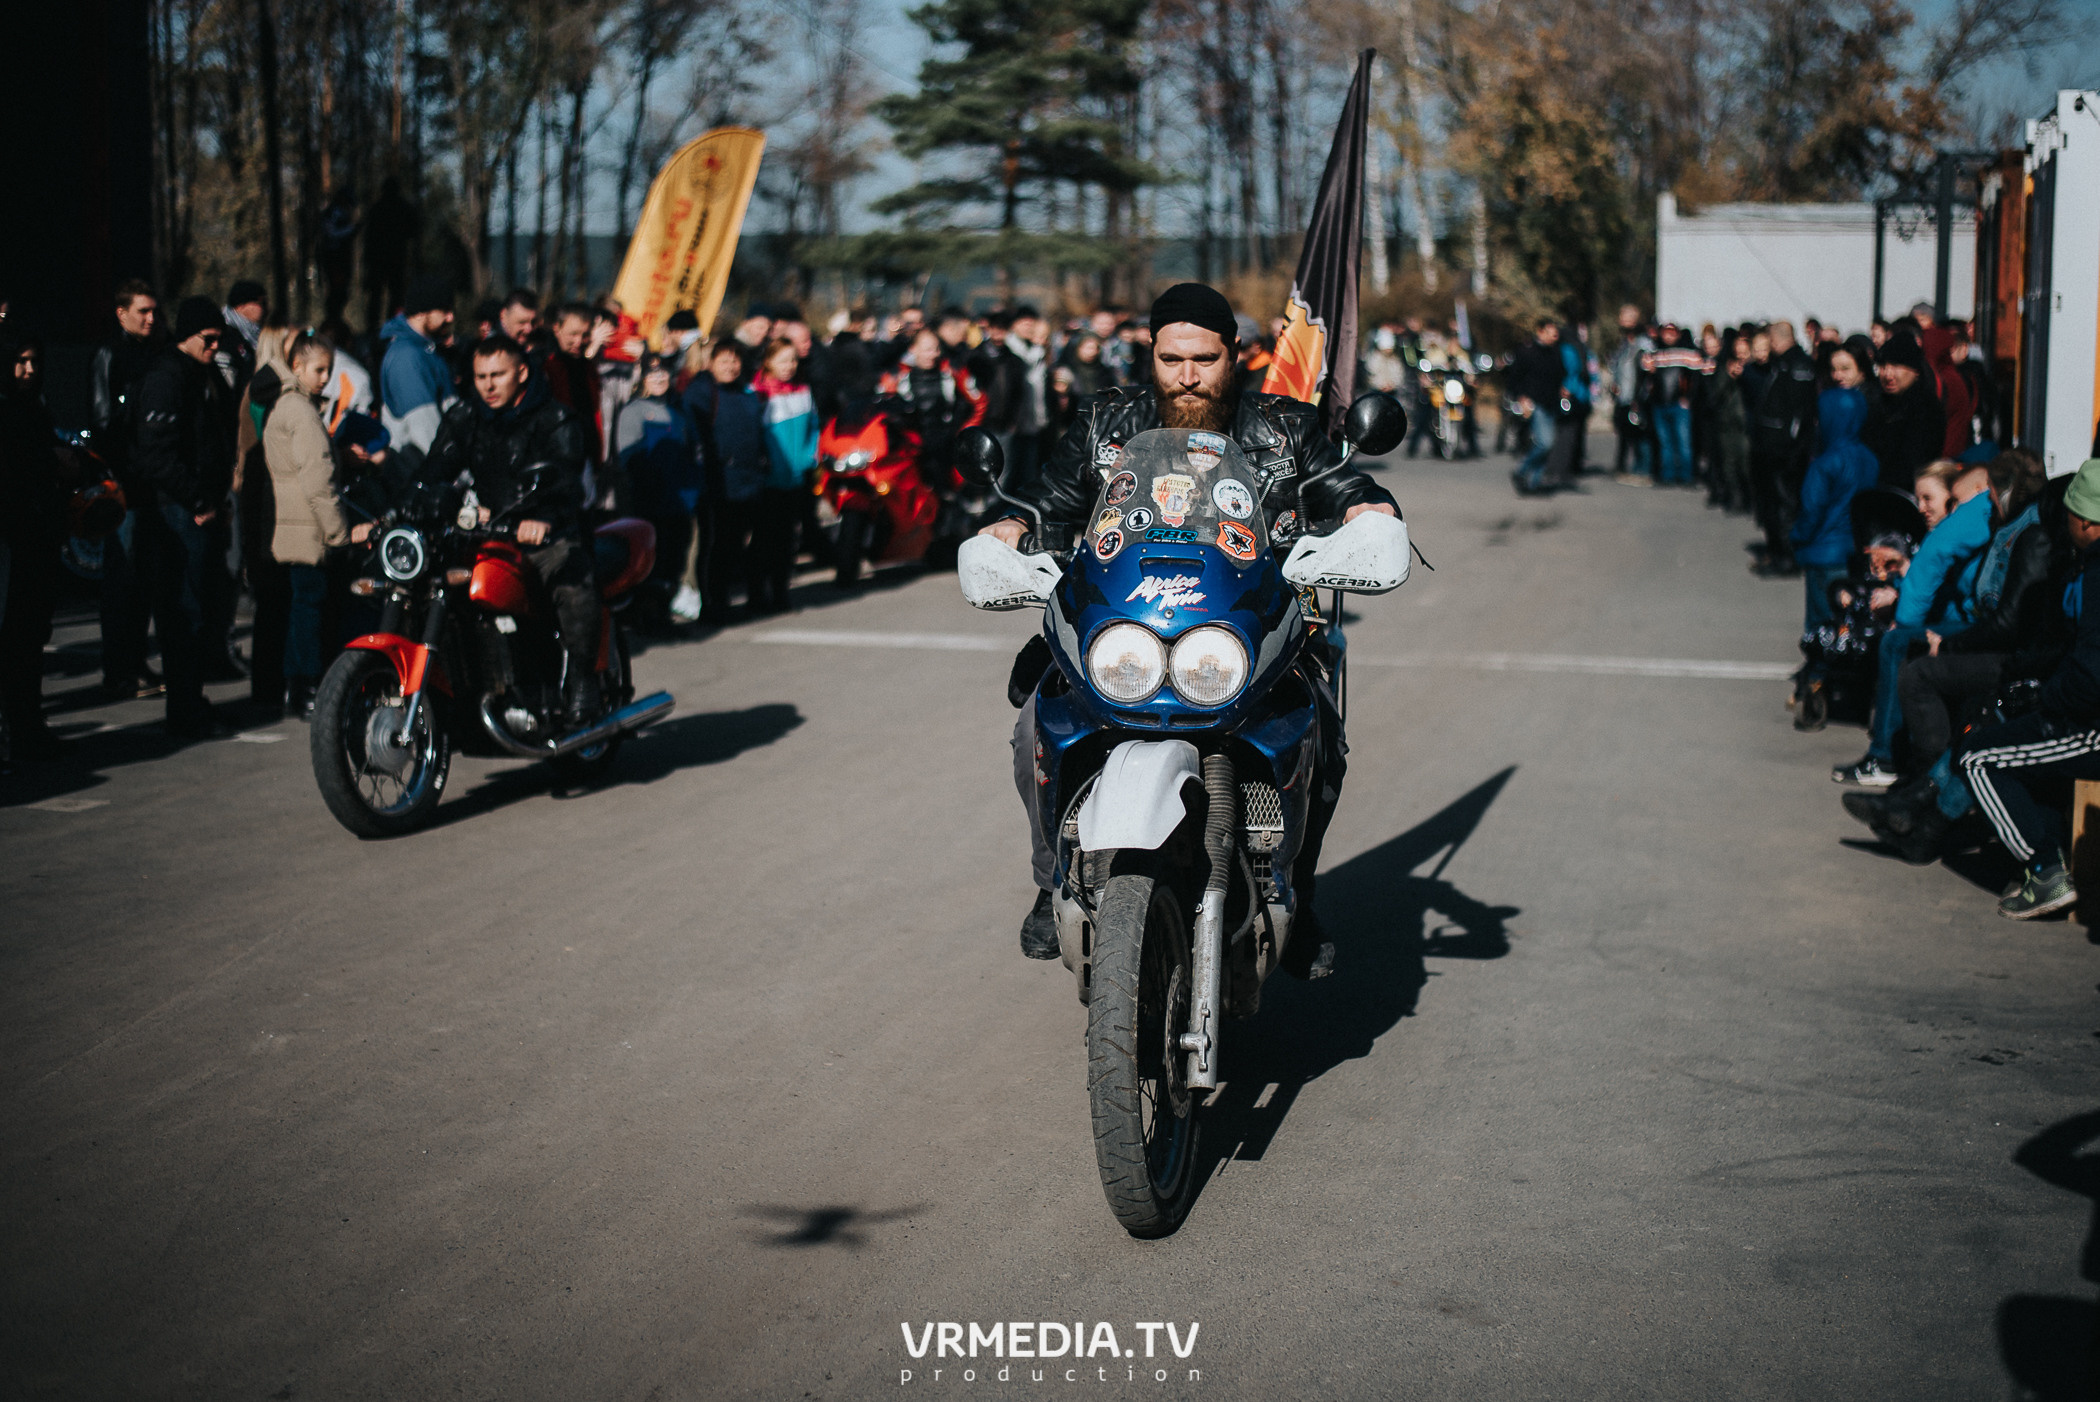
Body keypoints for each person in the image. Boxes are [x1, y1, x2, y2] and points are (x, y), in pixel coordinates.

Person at [977, 282, 1399, 973]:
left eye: (1204, 358)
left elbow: (1344, 487)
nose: (1188, 375)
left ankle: (1297, 885)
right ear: (1151, 353)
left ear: (1235, 353)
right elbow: (1050, 501)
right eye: (1172, 359)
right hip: (1124, 624)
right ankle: (1052, 873)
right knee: (1036, 725)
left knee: (1322, 741)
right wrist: (1011, 527)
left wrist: (1367, 512)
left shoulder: (1285, 427)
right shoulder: (1102, 422)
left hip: (1245, 627)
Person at [1851, 451, 2060, 861]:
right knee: (1968, 705)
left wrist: (1948, 643)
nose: (1984, 508)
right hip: (2016, 654)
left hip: (2020, 660)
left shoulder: (2029, 533)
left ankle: (1920, 802)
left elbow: (2008, 620)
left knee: (1965, 704)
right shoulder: (2017, 525)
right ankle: (1919, 802)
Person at [418, 335, 604, 723]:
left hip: (546, 531)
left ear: (521, 372)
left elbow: (568, 479)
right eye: (480, 376)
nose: (487, 385)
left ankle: (584, 680)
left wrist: (545, 518)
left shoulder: (555, 419)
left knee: (570, 581)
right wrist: (402, 507)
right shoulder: (465, 417)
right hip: (484, 531)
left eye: (497, 375)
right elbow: (433, 471)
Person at [1955, 458, 2100, 918]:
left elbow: (2092, 674)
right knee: (2008, 734)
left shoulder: (2097, 574)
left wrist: (2045, 698)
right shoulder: (2088, 567)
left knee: (1978, 757)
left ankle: (2045, 871)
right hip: (2083, 707)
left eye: (2070, 518)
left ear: (2087, 522)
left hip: (2091, 724)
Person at [1835, 457, 1993, 786]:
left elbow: (1943, 589)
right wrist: (1901, 576)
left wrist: (1903, 613)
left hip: (1965, 626)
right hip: (1957, 622)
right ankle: (1895, 755)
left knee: (1895, 643)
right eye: (1918, 498)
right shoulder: (1949, 530)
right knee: (1896, 643)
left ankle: (1887, 757)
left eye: (1928, 498)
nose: (1920, 507)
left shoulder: (1958, 527)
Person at [130, 297, 240, 736]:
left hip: (201, 507)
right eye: (208, 339)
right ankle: (185, 710)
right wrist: (198, 502)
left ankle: (192, 700)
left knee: (201, 612)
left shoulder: (203, 373)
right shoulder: (167, 378)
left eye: (219, 339)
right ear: (187, 335)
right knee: (183, 614)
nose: (215, 347)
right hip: (178, 513)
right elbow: (158, 456)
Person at [263, 332, 353, 717]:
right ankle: (310, 689)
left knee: (302, 608)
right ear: (297, 366)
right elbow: (319, 478)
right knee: (311, 611)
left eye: (329, 370)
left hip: (294, 523)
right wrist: (339, 533)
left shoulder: (286, 405)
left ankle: (297, 689)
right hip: (309, 526)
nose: (325, 377)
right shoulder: (300, 411)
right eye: (319, 369)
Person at [89, 279, 164, 700]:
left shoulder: (151, 353)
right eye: (142, 311)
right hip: (124, 484)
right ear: (121, 313)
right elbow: (103, 422)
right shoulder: (109, 354)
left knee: (142, 580)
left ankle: (133, 662)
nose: (150, 318)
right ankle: (118, 668)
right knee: (122, 578)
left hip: (147, 480)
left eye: (154, 311)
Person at [1789, 343, 1880, 691]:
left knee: (1819, 620)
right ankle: (1846, 677)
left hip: (1823, 550)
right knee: (1847, 617)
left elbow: (1811, 510)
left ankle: (1816, 680)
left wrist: (1798, 537)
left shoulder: (1824, 464)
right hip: (1852, 548)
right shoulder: (1869, 459)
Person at [0, 329, 70, 760]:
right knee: (14, 639)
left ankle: (29, 724)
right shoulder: (8, 410)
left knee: (31, 637)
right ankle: (17, 728)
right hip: (14, 536)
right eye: (19, 361)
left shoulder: (35, 407)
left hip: (39, 535)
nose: (28, 370)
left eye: (34, 361)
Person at [613, 352, 702, 627]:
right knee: (651, 562)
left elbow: (694, 451)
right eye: (653, 373)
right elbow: (627, 457)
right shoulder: (633, 411)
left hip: (679, 501)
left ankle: (664, 612)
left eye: (664, 372)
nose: (660, 377)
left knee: (674, 559)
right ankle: (647, 616)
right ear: (642, 377)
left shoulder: (680, 410)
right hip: (649, 501)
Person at [683, 338, 769, 621]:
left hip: (748, 480)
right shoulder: (701, 392)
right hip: (716, 482)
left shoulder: (746, 393)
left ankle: (747, 597)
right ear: (711, 363)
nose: (731, 366)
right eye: (724, 361)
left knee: (742, 542)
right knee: (716, 545)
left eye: (735, 360)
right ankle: (713, 604)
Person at [751, 339, 816, 614]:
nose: (789, 366)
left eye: (792, 360)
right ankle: (757, 595)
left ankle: (780, 593)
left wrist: (809, 457)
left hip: (796, 477)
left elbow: (813, 428)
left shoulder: (803, 391)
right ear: (768, 362)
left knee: (787, 539)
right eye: (782, 360)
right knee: (763, 540)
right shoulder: (757, 393)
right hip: (768, 480)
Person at [1748, 320, 1817, 575]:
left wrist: (1790, 448)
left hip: (1785, 452)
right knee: (1772, 504)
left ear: (1776, 339)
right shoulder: (1782, 363)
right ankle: (1777, 552)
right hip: (1771, 449)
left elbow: (1799, 413)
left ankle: (1787, 559)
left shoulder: (1798, 364)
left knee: (1785, 506)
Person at [378, 273, 458, 467]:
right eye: (444, 310)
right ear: (423, 311)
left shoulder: (427, 350)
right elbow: (425, 430)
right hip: (422, 476)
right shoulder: (407, 358)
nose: (451, 317)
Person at [1862, 334, 1945, 491]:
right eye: (1883, 366)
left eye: (1896, 366)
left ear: (1915, 371)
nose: (1887, 374)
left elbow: (1916, 461)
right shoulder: (1876, 403)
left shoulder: (1926, 408)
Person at [1508, 319, 1565, 495]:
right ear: (1540, 332)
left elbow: (1560, 375)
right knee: (1544, 443)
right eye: (1550, 332)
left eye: (1555, 333)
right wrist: (1521, 398)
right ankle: (1522, 471)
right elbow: (1514, 378)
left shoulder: (1556, 352)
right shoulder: (1527, 351)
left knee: (1547, 445)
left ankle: (1534, 483)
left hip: (1552, 403)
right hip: (1534, 403)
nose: (1553, 336)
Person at [1647, 323, 1705, 487]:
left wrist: (1688, 399)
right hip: (1660, 404)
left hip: (1680, 405)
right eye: (1666, 333)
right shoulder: (1656, 352)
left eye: (1672, 333)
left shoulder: (1687, 352)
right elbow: (1648, 377)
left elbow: (1696, 378)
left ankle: (1687, 475)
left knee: (1684, 441)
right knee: (1665, 442)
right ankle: (1668, 475)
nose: (1668, 336)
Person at [361, 177, 420, 332]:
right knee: (391, 295)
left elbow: (369, 237)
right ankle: (386, 326)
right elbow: (414, 232)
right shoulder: (401, 208)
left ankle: (376, 327)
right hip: (392, 258)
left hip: (384, 259)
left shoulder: (378, 208)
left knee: (382, 296)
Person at [1706, 333, 1753, 514]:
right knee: (1729, 464)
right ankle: (1735, 498)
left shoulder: (1753, 370)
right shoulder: (1724, 368)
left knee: (1746, 465)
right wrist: (1728, 376)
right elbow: (1715, 395)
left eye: (1744, 352)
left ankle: (1750, 499)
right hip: (1726, 423)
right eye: (1738, 351)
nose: (1741, 356)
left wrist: (1745, 375)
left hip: (1745, 425)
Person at [1608, 305, 1654, 480]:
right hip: (1623, 396)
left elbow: (1645, 373)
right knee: (1624, 432)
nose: (1622, 321)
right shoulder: (1624, 343)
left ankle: (1643, 470)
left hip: (1637, 397)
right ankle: (1623, 467)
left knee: (1640, 433)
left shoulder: (1643, 343)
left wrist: (1639, 396)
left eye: (1626, 317)